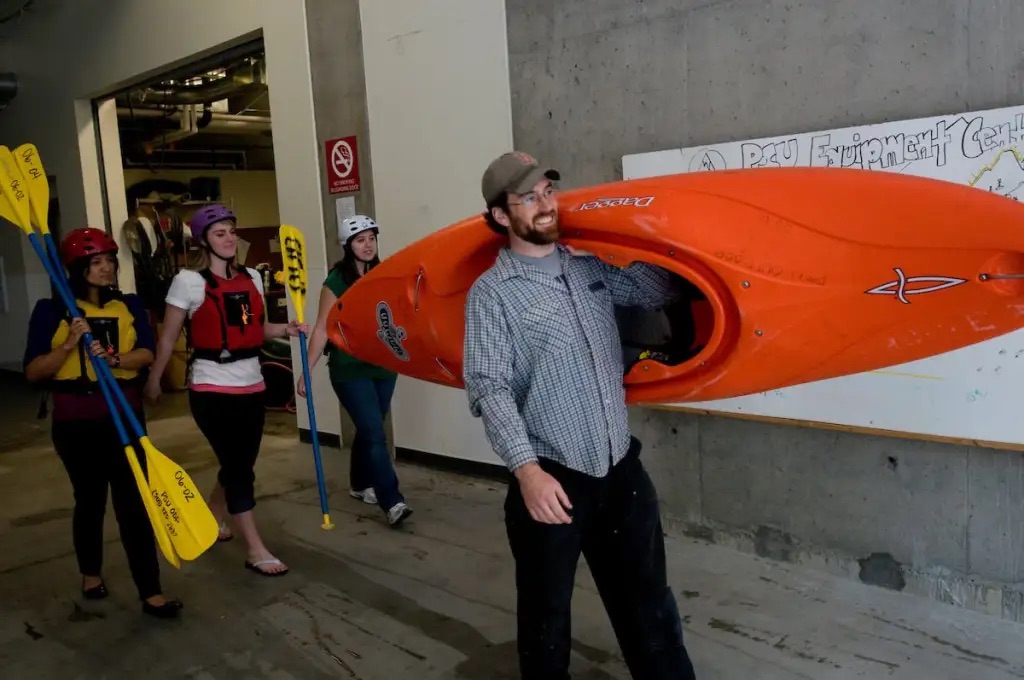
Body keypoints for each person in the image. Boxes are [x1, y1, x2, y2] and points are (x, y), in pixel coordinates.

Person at [462, 151, 698, 679]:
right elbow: (489, 389)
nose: (545, 205)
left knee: (650, 610)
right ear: (502, 215)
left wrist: (636, 232)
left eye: (548, 192)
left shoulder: (589, 267)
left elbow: (662, 288)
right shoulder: (492, 296)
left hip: (620, 470)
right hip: (552, 481)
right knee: (546, 630)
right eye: (529, 198)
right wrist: (528, 474)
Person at [23, 227, 183, 619]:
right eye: (97, 262)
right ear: (78, 268)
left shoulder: (128, 304)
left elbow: (146, 353)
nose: (107, 268)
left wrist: (113, 360)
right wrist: (68, 345)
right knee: (90, 500)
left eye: (110, 261)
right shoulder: (51, 310)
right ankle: (90, 573)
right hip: (76, 423)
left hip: (124, 417)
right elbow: (33, 372)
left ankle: (151, 591)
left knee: (133, 504)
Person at [144, 204, 306, 577]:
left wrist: (286, 329)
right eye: (220, 233)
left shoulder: (252, 277)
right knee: (238, 469)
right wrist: (154, 378)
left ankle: (212, 515)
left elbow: (253, 329)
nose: (230, 238)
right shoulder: (188, 281)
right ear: (204, 240)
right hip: (211, 387)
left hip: (253, 384)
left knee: (239, 463)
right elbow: (168, 337)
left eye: (232, 230)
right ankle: (254, 548)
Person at [297, 214, 412, 527]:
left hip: (383, 366)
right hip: (349, 369)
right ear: (348, 245)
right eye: (360, 240)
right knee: (375, 433)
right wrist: (306, 370)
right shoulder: (336, 281)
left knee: (369, 428)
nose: (368, 245)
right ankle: (392, 501)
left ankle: (360, 484)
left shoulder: (384, 273)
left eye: (371, 238)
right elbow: (322, 328)